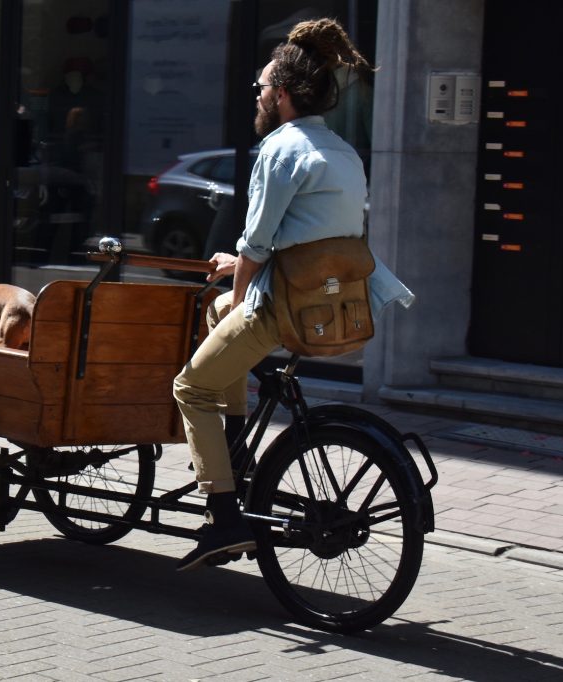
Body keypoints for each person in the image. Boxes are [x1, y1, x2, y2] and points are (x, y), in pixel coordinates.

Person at [173, 18, 405, 571]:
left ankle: (224, 516)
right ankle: (233, 451)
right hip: (332, 302)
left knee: (189, 388)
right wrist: (240, 276)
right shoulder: (343, 152)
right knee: (216, 313)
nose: (256, 96)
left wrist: (242, 280)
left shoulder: (280, 150)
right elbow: (312, 233)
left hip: (283, 306)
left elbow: (256, 244)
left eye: (260, 88)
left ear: (280, 95)